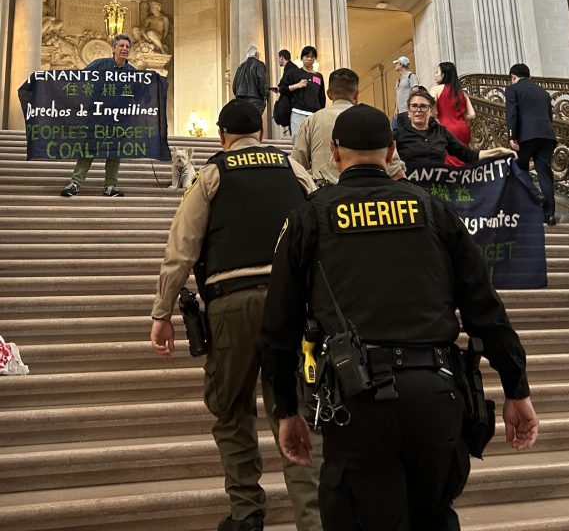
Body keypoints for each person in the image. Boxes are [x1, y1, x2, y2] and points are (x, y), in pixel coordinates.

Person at [262, 104, 539, 530]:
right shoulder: (432, 210)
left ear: (335, 153)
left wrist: (285, 409)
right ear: (392, 150)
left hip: (357, 404)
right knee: (434, 517)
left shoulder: (308, 218)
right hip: (437, 393)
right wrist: (515, 387)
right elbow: (484, 307)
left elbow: (279, 328)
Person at [149, 100, 322, 531]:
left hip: (232, 305)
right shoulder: (293, 171)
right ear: (261, 133)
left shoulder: (212, 175)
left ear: (222, 136)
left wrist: (162, 311)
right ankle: (314, 518)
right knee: (295, 409)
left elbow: (181, 249)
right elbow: (324, 225)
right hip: (292, 305)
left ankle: (246, 513)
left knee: (231, 409)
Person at [290, 67, 405, 184]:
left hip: (325, 194)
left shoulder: (311, 121)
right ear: (356, 94)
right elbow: (396, 171)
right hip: (368, 193)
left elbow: (296, 166)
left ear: (329, 94)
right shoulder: (374, 119)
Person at [60, 33, 134, 198]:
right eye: (121, 46)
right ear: (114, 48)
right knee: (89, 149)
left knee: (114, 153)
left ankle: (110, 186)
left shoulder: (132, 72)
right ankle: (75, 183)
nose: (124, 49)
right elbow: (80, 79)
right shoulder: (99, 65)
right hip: (97, 115)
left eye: (127, 47)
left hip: (119, 119)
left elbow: (139, 93)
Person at [395, 87, 514, 169]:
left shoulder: (441, 132)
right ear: (408, 112)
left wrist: (499, 152)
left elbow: (468, 155)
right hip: (411, 194)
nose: (418, 110)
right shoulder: (398, 135)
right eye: (414, 106)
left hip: (439, 191)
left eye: (423, 106)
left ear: (430, 110)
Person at [505, 63, 558, 226]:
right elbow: (549, 115)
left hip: (526, 136)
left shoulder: (512, 89)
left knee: (518, 167)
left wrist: (512, 135)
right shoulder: (543, 92)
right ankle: (549, 215)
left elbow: (512, 113)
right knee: (544, 173)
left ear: (513, 77)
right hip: (547, 136)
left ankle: (536, 194)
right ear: (529, 76)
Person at [430, 61, 475, 166]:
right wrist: (457, 116)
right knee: (463, 158)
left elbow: (430, 108)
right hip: (462, 128)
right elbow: (472, 114)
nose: (435, 75)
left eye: (437, 72)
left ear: (444, 74)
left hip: (445, 128)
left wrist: (437, 117)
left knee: (450, 162)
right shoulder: (461, 92)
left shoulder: (435, 89)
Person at [284, 45, 325, 138]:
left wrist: (320, 112)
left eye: (312, 57)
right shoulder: (294, 73)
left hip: (314, 114)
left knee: (314, 140)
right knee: (297, 140)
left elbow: (321, 96)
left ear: (315, 59)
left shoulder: (318, 76)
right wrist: (297, 85)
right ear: (302, 58)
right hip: (298, 112)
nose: (309, 59)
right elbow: (283, 88)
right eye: (307, 56)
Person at [233, 46, 268, 115]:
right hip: (255, 99)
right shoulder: (259, 64)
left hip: (241, 100)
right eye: (259, 54)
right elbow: (262, 81)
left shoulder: (240, 67)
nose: (259, 56)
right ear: (255, 54)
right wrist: (264, 96)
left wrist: (239, 95)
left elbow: (234, 86)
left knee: (244, 123)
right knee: (254, 122)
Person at [271, 49, 297, 128]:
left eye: (278, 58)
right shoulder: (291, 67)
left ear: (282, 58)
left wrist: (280, 89)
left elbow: (287, 86)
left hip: (291, 103)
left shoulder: (290, 69)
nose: (278, 60)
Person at [392, 56, 418, 130]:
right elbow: (398, 95)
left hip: (408, 111)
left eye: (397, 63)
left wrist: (412, 108)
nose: (396, 65)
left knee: (410, 131)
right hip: (400, 112)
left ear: (401, 64)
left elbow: (415, 92)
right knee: (401, 134)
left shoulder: (411, 76)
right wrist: (396, 109)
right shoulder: (398, 80)